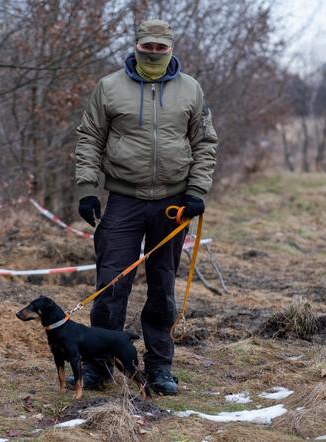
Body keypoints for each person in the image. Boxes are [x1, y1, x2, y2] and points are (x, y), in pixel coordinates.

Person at [72, 19, 218, 395]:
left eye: (160, 46)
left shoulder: (191, 90)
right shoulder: (109, 87)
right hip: (123, 200)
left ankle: (158, 368)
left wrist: (196, 192)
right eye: (146, 45)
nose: (152, 51)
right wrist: (87, 189)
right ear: (136, 45)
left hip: (173, 205)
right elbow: (89, 138)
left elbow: (205, 142)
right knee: (110, 284)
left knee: (162, 288)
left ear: (170, 48)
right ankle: (99, 367)